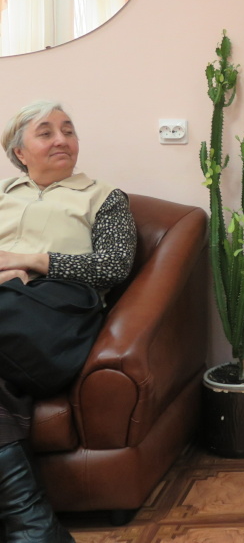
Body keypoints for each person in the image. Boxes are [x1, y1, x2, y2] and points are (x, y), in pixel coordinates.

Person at [0, 101, 136, 542]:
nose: (61, 139)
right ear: (20, 152)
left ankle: (34, 526)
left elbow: (113, 266)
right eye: (46, 132)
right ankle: (36, 529)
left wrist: (30, 261)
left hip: (58, 317)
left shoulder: (104, 197)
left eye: (68, 130)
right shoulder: (3, 195)